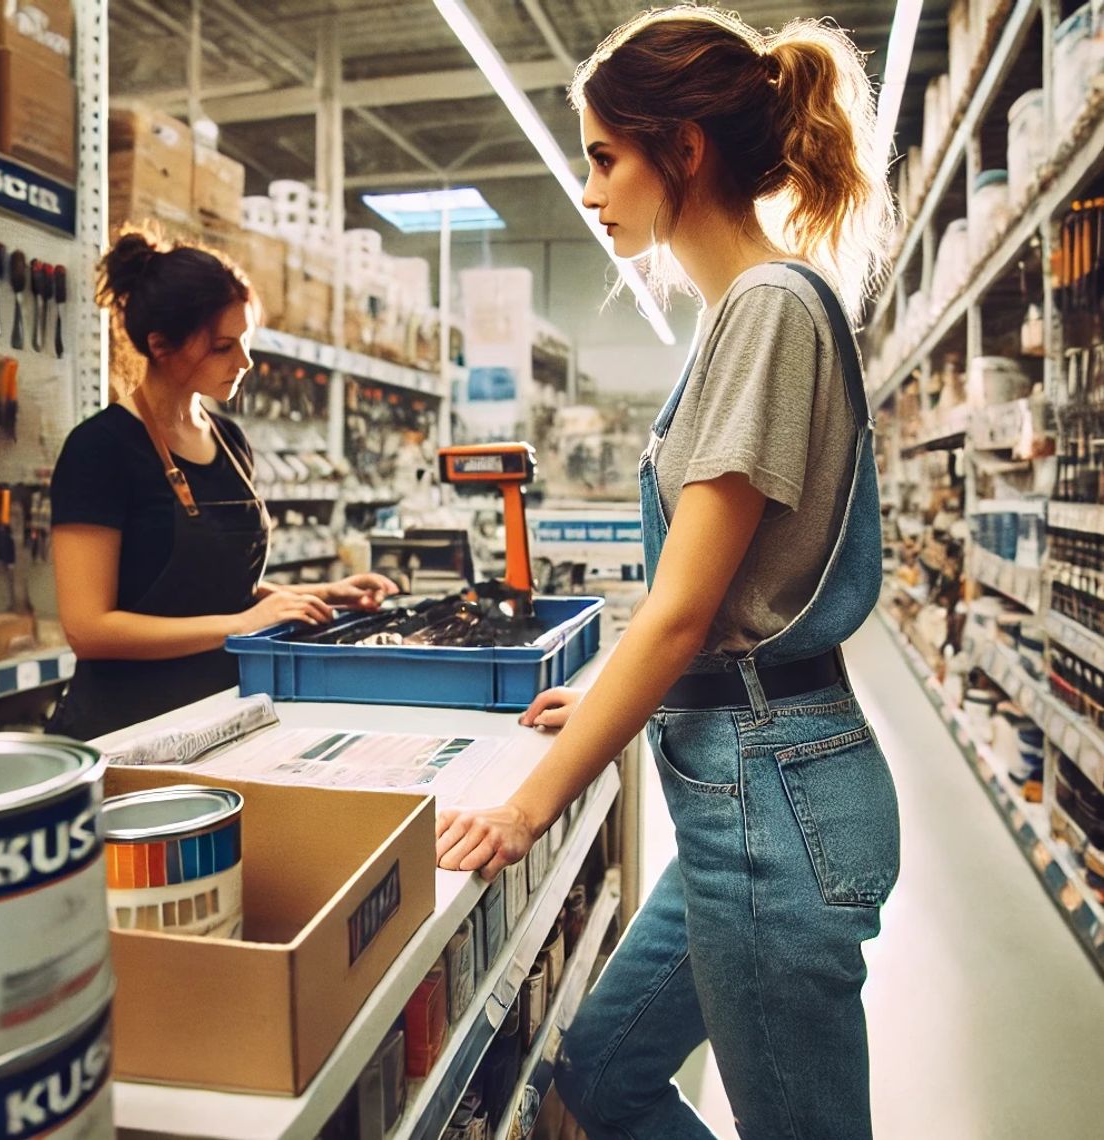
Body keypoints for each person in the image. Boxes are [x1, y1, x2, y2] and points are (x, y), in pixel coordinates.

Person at [434, 8, 900, 1139]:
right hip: (739, 787)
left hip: (769, 800)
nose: (589, 192)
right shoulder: (747, 315)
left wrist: (527, 810)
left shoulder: (769, 310)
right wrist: (601, 696)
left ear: (682, 149)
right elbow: (724, 595)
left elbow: (687, 610)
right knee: (597, 1077)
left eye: (604, 157)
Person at [47, 231, 397, 740]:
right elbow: (89, 629)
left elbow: (210, 588)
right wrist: (243, 624)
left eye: (245, 341)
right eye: (222, 347)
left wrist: (314, 596)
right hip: (127, 732)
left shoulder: (229, 441)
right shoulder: (100, 450)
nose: (245, 363)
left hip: (220, 712)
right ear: (160, 345)